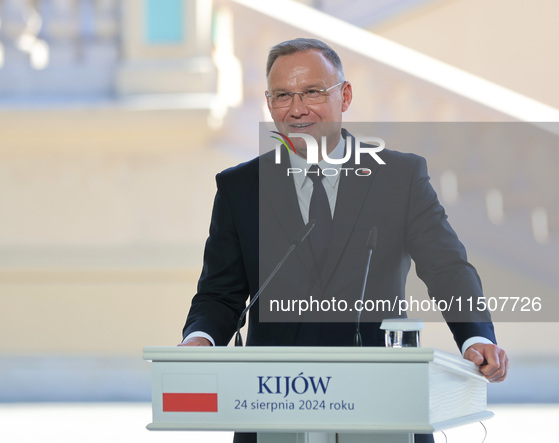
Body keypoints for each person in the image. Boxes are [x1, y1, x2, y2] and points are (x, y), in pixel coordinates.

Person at [179, 38, 508, 443]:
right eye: (283, 95)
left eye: (313, 92)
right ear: (269, 103)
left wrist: (475, 336)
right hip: (275, 404)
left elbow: (448, 269)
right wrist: (200, 337)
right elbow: (219, 293)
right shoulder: (241, 187)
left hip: (384, 401)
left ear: (345, 95)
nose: (297, 108)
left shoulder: (399, 177)